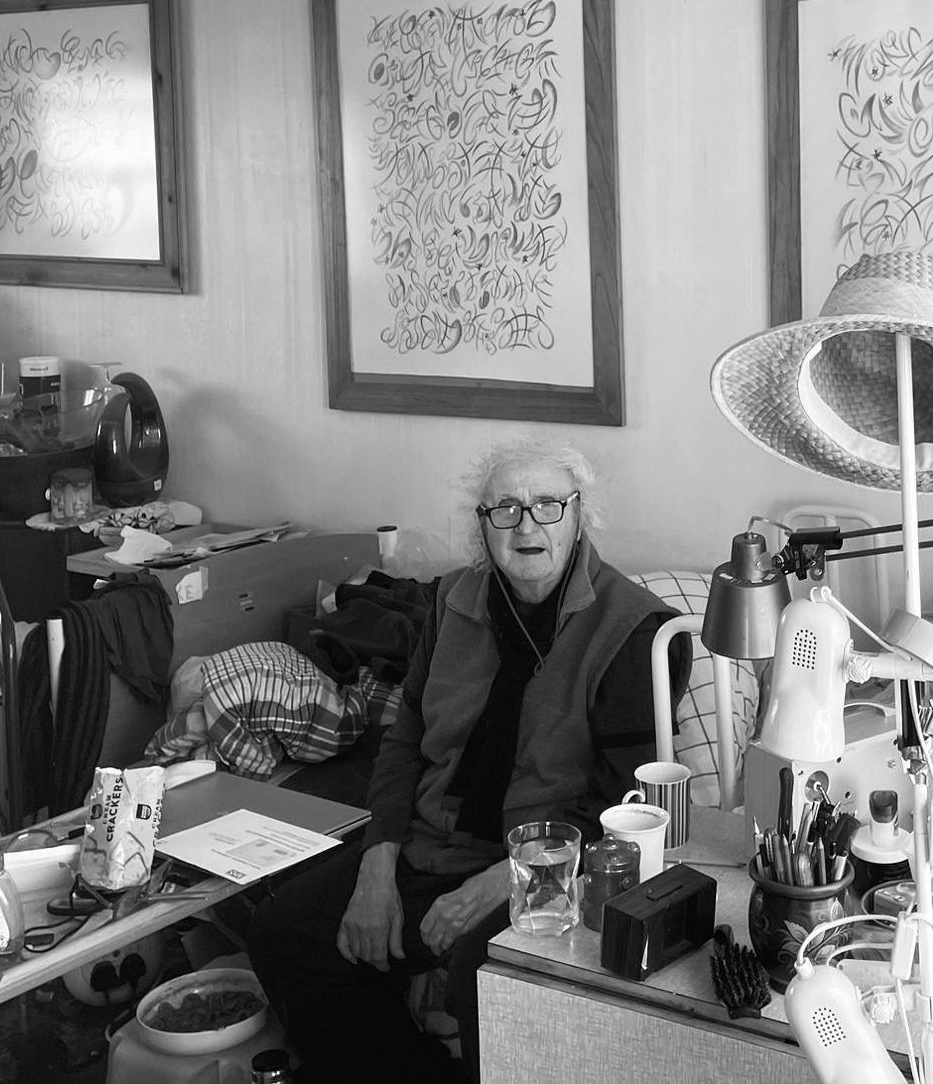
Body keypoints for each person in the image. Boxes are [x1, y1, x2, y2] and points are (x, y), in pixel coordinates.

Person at [247, 439, 689, 1082]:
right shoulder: (452, 601)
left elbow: (627, 808)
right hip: (433, 843)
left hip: (550, 866)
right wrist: (377, 866)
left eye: (547, 505)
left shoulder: (631, 629)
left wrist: (499, 884)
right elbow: (404, 744)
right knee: (285, 930)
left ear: (579, 517)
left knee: (481, 980)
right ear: (484, 526)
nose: (527, 524)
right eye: (504, 508)